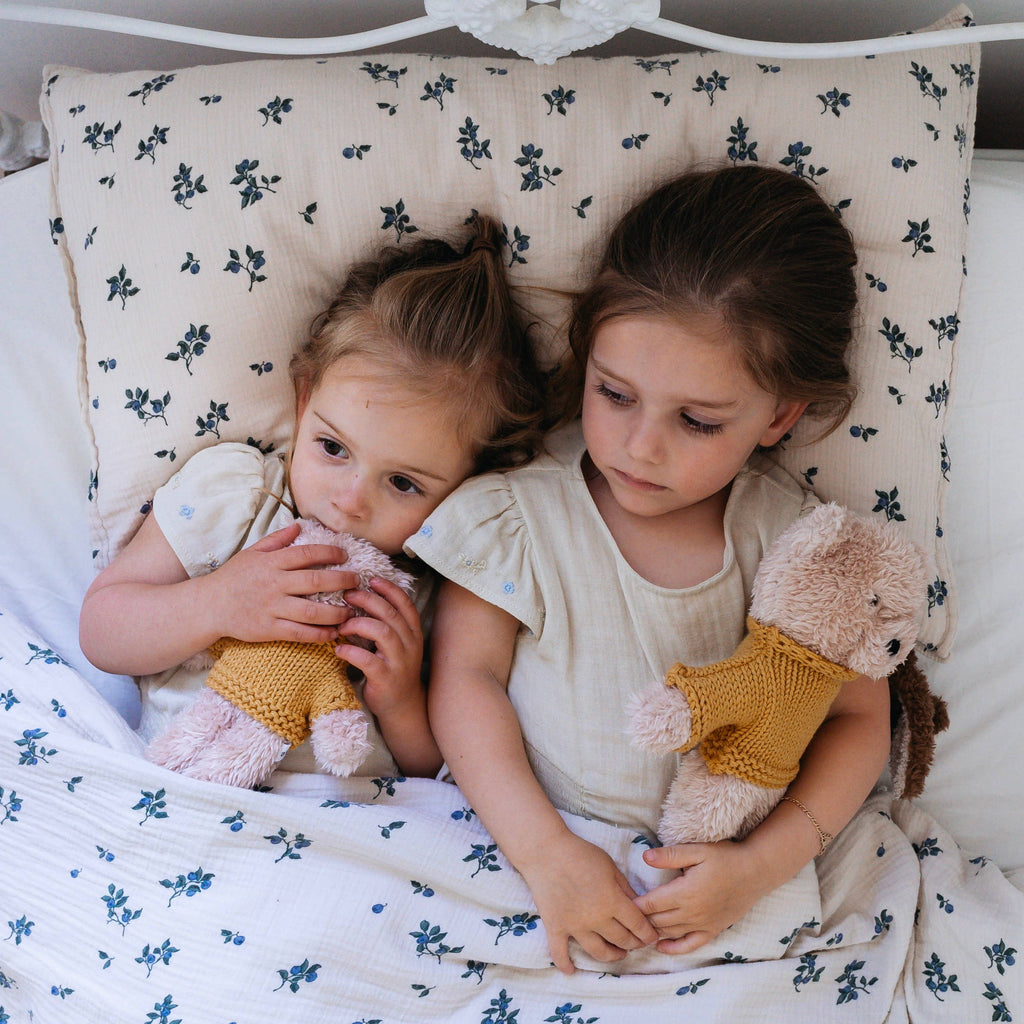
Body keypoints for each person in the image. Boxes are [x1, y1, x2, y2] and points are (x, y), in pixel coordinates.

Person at [411, 165, 891, 973]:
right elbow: (464, 684)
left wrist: (760, 868)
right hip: (531, 852)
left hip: (729, 885)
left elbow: (857, 722)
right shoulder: (520, 518)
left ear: (780, 415)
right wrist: (546, 854)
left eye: (697, 421)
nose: (640, 447)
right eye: (614, 393)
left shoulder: (800, 546)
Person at [79, 214, 549, 781]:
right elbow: (101, 631)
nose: (350, 501)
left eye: (404, 483)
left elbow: (430, 768)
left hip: (342, 819)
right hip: (183, 779)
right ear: (304, 401)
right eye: (332, 447)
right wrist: (216, 602)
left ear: (469, 484)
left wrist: (398, 700)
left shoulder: (429, 588)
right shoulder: (241, 498)